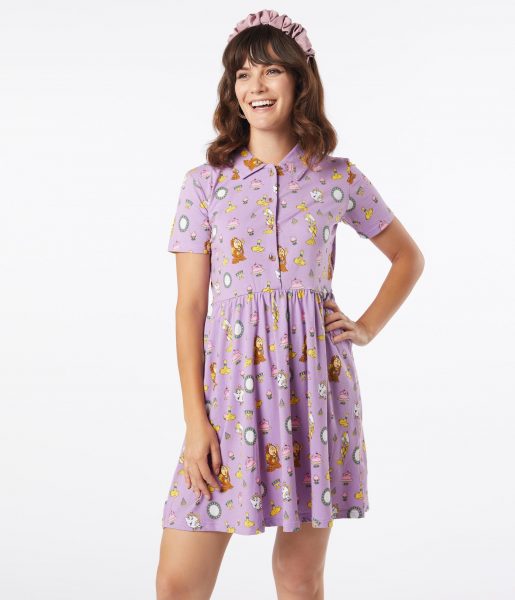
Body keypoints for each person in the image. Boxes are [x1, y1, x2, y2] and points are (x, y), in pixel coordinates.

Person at [156, 9, 424, 600]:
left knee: (299, 578)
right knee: (177, 584)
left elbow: (408, 257)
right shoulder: (205, 183)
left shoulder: (338, 177)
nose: (256, 86)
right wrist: (196, 421)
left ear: (300, 79)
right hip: (228, 399)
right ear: (231, 89)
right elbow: (190, 308)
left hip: (313, 391)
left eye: (271, 70)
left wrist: (366, 327)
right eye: (243, 74)